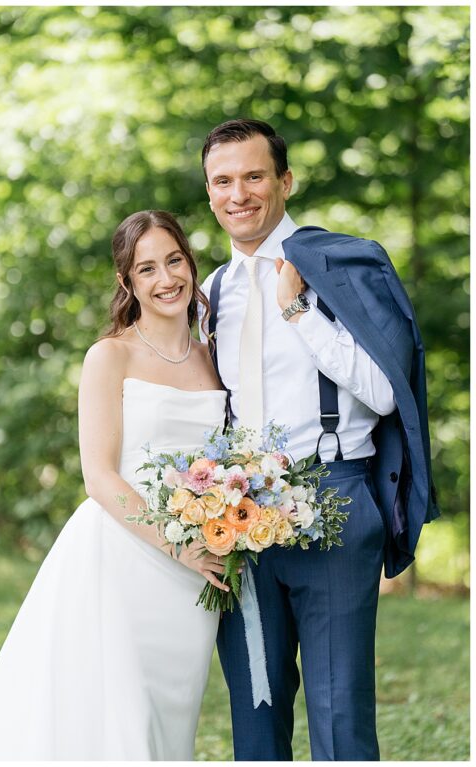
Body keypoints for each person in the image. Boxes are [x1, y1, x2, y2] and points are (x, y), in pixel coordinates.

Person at [200, 118, 437, 760]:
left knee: (339, 713)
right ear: (209, 191)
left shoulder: (341, 265)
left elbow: (387, 392)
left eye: (254, 176)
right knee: (256, 706)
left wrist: (300, 312)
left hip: (332, 499)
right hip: (237, 519)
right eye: (222, 181)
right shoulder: (211, 292)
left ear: (285, 181)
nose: (238, 194)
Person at [0, 210, 228, 760]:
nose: (166, 279)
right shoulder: (110, 355)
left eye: (174, 261)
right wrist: (178, 545)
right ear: (127, 283)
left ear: (190, 260)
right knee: (115, 714)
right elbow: (99, 476)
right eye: (147, 269)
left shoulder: (213, 359)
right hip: (123, 556)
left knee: (168, 715)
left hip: (196, 578)